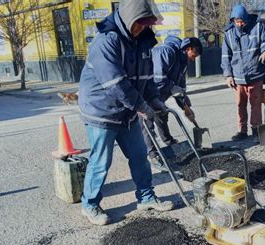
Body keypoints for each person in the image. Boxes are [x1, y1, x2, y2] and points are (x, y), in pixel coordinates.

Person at [77, 0, 174, 225]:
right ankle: (89, 204)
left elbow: (146, 79)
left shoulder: (143, 43)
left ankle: (146, 197)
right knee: (101, 161)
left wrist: (155, 100)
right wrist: (142, 107)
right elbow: (116, 84)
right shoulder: (107, 41)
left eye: (144, 25)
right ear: (128, 19)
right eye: (138, 24)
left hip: (126, 110)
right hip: (102, 110)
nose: (141, 29)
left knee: (140, 155)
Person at [144, 36, 203, 171]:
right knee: (148, 122)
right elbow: (158, 78)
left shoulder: (182, 61)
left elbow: (180, 85)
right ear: (188, 49)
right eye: (194, 55)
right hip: (148, 93)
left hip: (160, 95)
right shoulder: (166, 52)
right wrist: (172, 87)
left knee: (162, 115)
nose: (194, 59)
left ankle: (169, 142)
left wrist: (186, 106)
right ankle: (153, 154)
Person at [221, 4, 265, 143]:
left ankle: (256, 130)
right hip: (238, 77)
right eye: (237, 22)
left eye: (242, 21)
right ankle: (242, 131)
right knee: (240, 105)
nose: (239, 24)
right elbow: (226, 56)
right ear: (233, 20)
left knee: (255, 104)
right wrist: (228, 75)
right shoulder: (229, 34)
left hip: (255, 74)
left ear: (246, 19)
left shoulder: (258, 27)